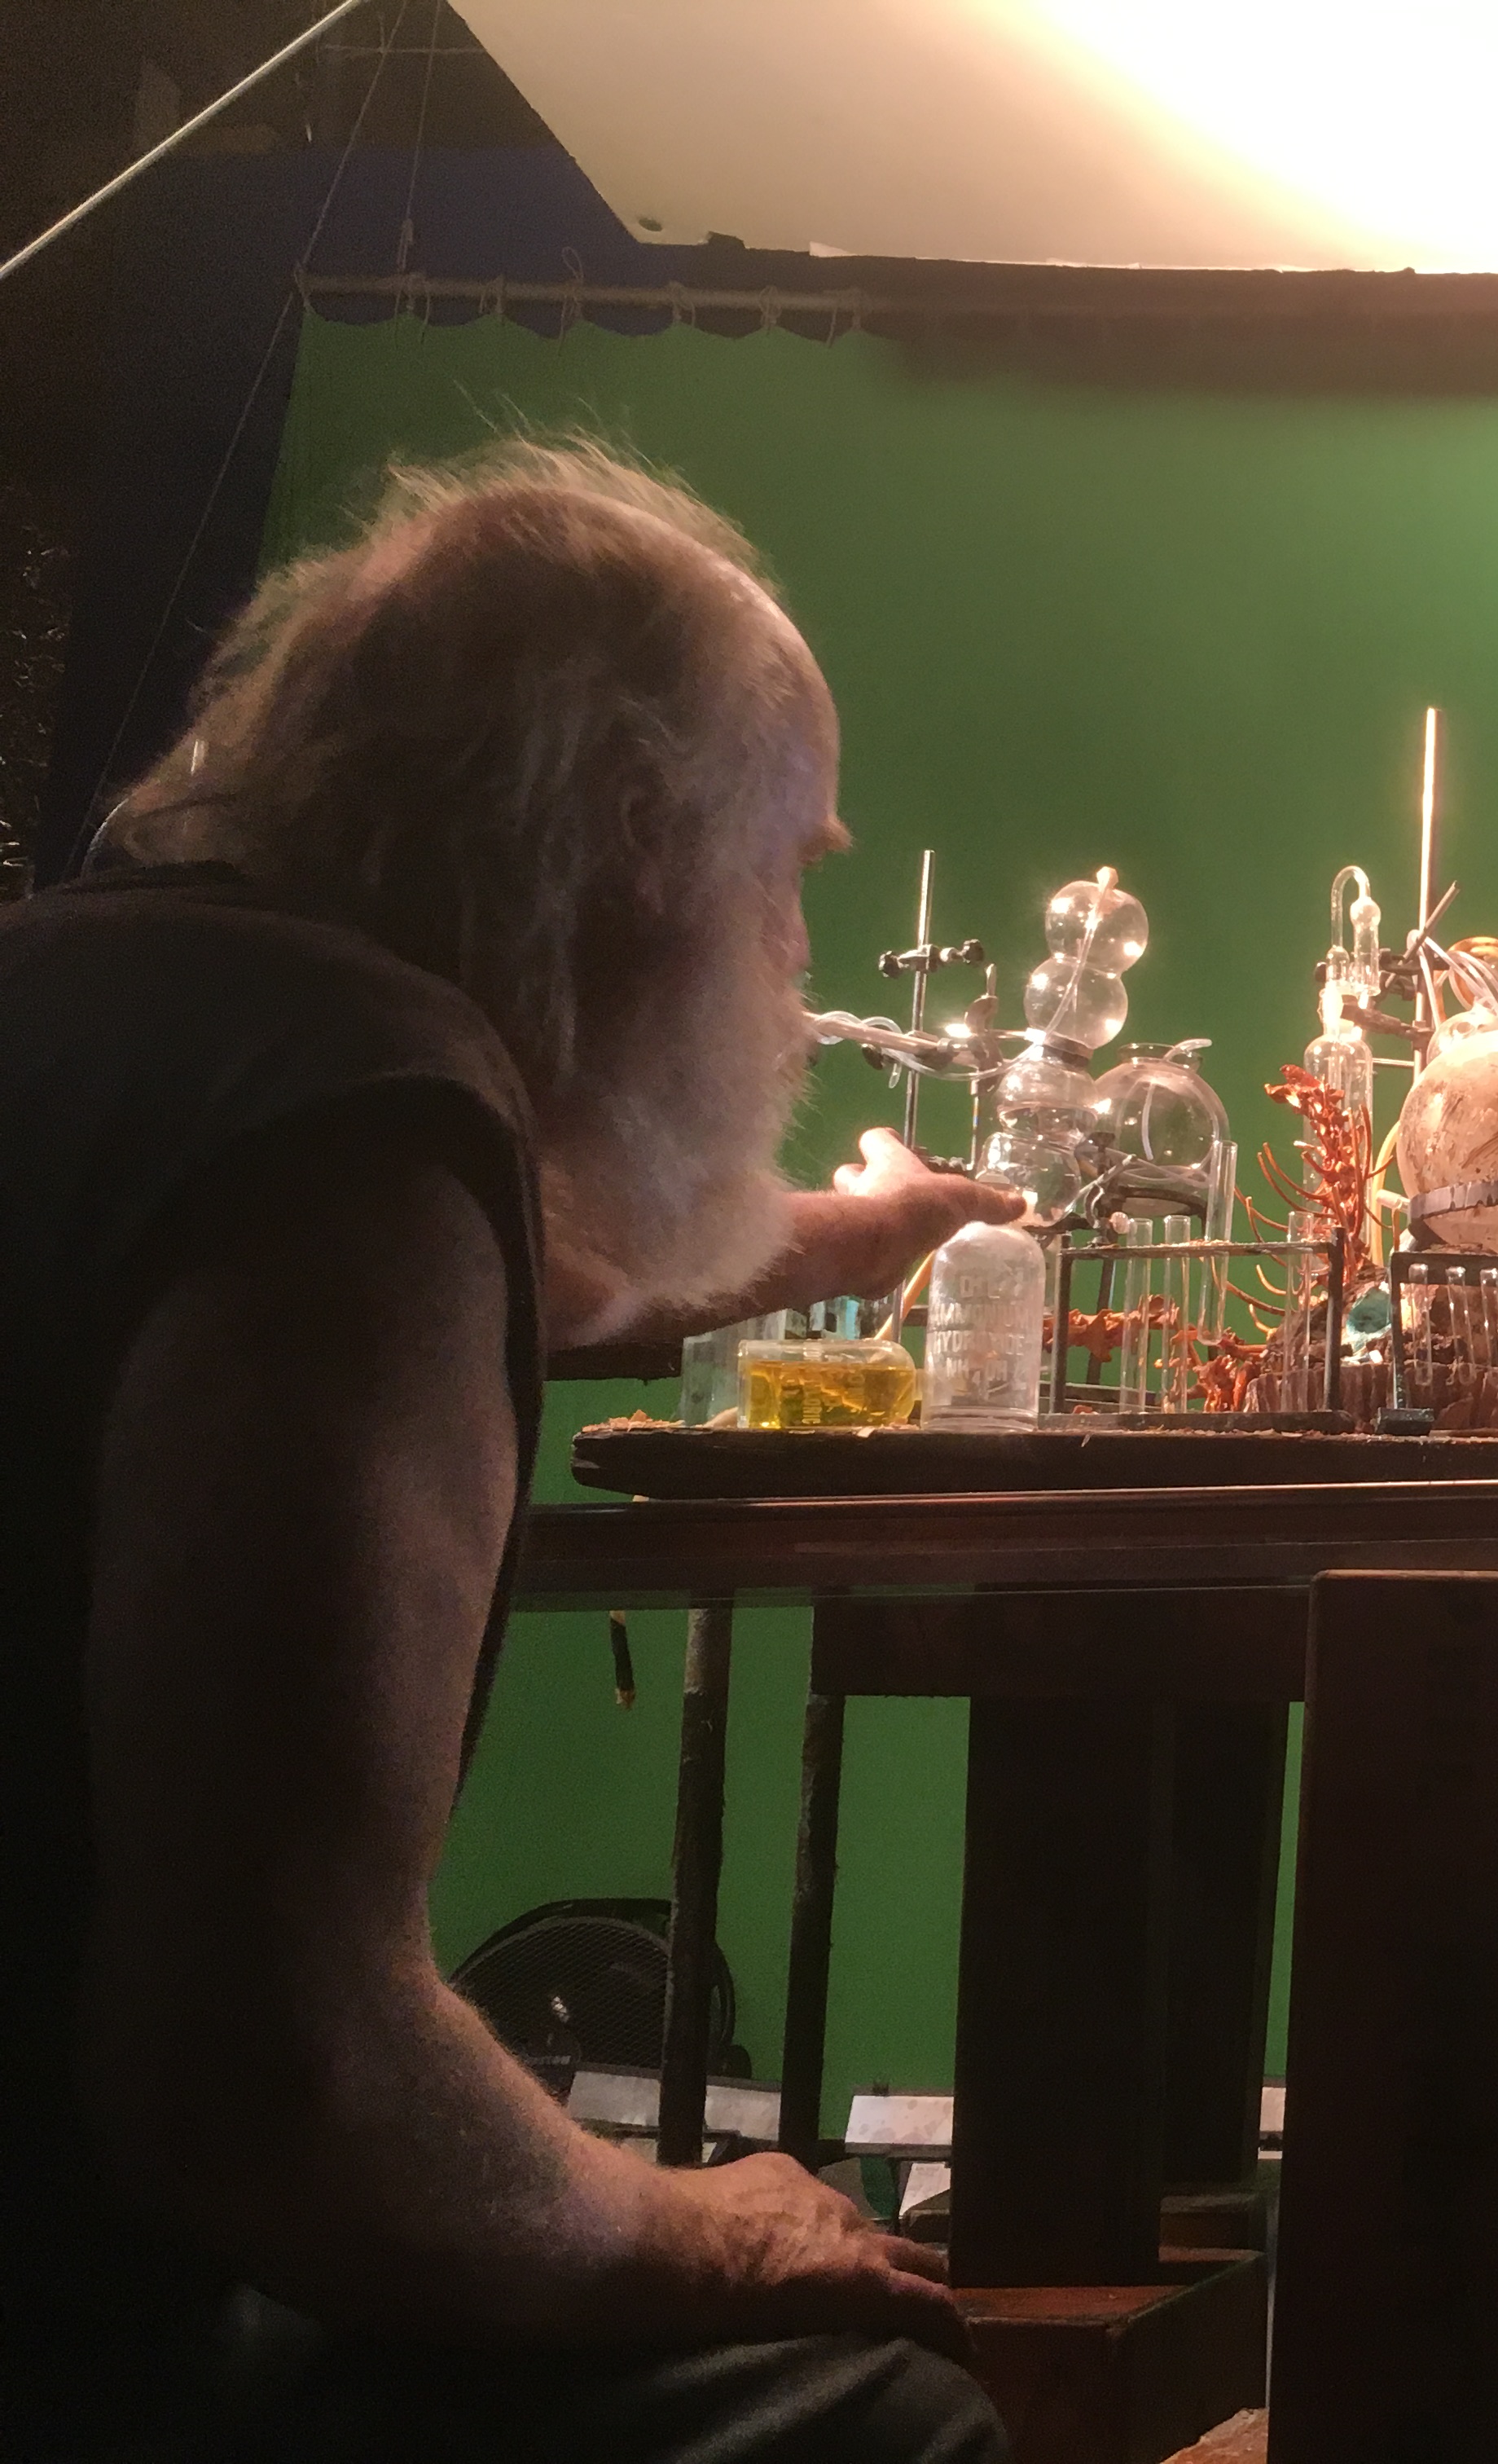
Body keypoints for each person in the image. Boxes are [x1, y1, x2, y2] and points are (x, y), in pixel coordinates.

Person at [0, 442, 1024, 2461]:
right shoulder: (364, 1124)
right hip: (70, 2340)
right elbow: (276, 2077)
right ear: (642, 840)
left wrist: (859, 1232)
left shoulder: (121, 1000)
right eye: (788, 872)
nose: (793, 962)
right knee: (893, 2414)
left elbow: (558, 1285)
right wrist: (703, 2230)